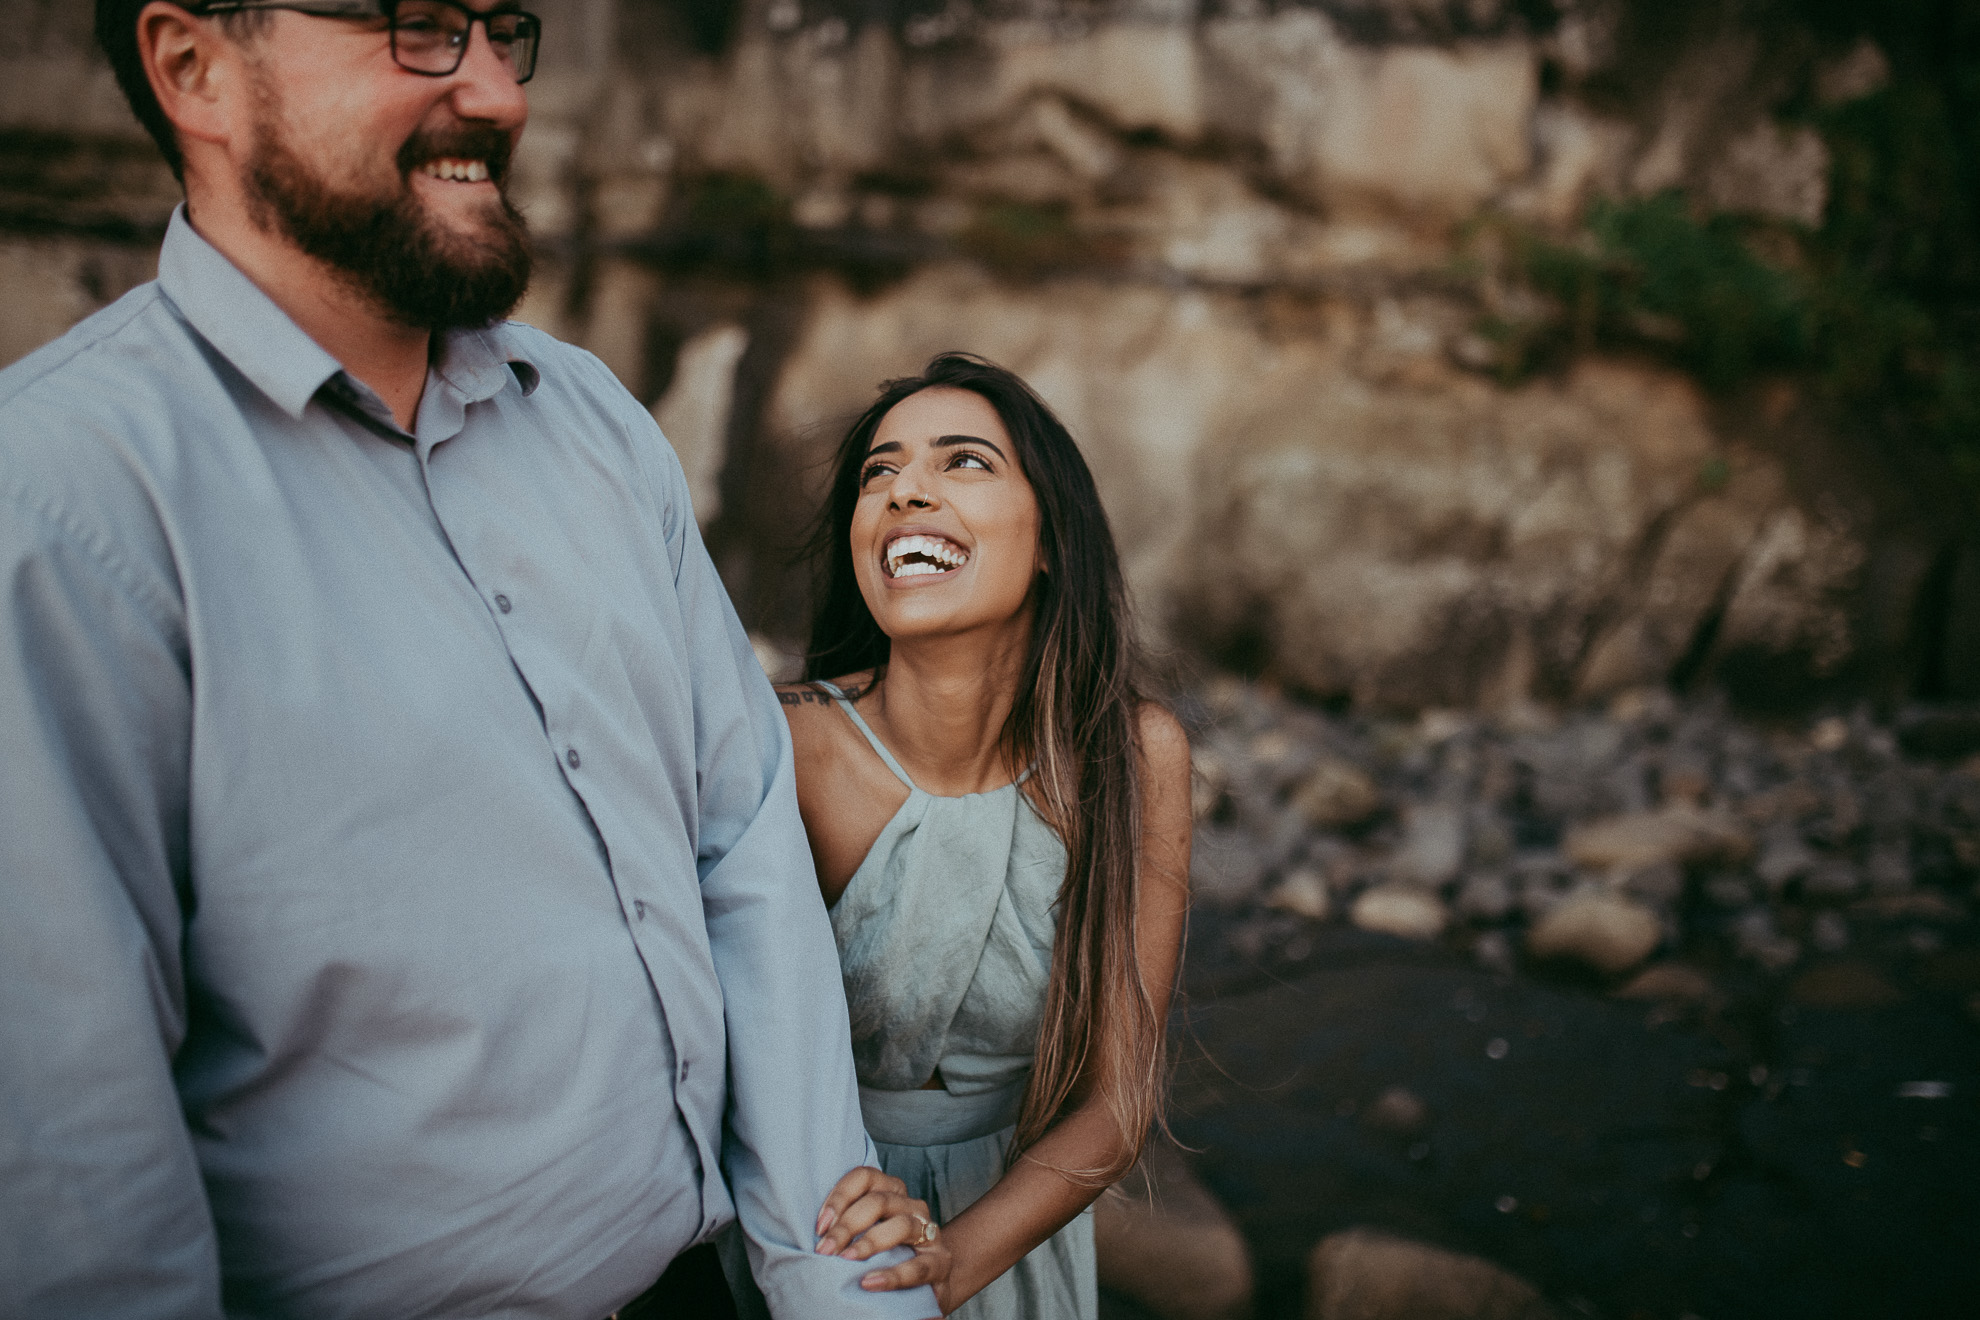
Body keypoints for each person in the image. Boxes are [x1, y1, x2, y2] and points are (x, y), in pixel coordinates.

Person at [0, 3, 937, 1317]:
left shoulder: (596, 422)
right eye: (419, 28)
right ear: (194, 68)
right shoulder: (60, 511)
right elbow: (75, 1165)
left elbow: (740, 849)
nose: (496, 93)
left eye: (504, 29)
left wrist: (840, 1290)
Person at [774, 354, 1194, 1317]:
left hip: (1014, 1244)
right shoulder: (783, 746)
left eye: (962, 461)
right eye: (879, 471)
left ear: (1051, 538)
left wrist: (958, 1259)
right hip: (808, 1215)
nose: (905, 488)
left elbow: (1119, 1102)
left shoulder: (1133, 758)